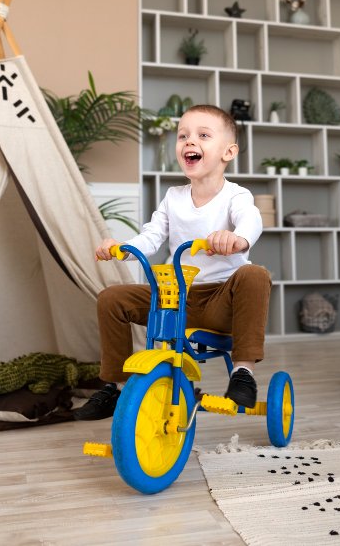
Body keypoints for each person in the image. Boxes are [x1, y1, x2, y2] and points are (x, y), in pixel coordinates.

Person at [73, 104, 271, 421]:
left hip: (220, 300)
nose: (189, 141)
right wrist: (123, 247)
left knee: (254, 274)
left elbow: (252, 219)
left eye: (203, 135)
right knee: (111, 298)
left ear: (228, 152)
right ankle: (118, 387)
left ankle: (243, 372)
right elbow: (152, 236)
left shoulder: (236, 197)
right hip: (174, 297)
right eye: (183, 136)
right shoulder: (173, 197)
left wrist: (238, 238)